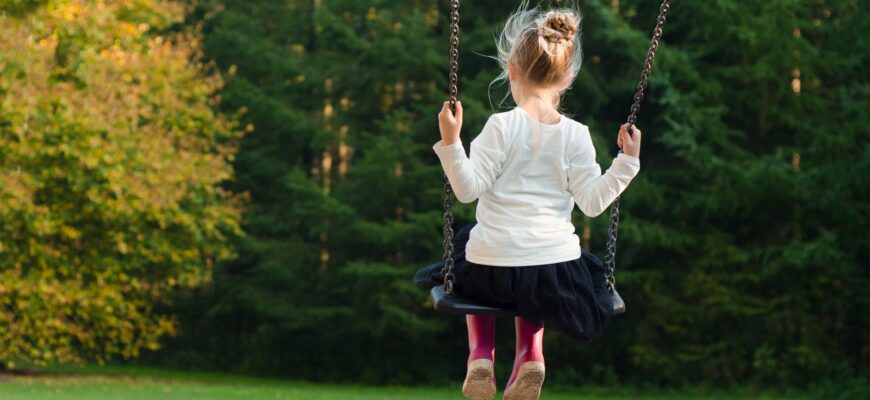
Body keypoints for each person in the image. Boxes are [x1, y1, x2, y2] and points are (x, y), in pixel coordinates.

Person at [413, 4, 642, 400]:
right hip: (553, 272)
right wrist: (627, 163)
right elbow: (592, 203)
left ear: (511, 70)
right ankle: (531, 354)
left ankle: (481, 355)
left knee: (471, 249)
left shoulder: (500, 127)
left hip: (491, 269)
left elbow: (467, 190)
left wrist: (451, 142)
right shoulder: (576, 134)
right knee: (537, 275)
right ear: (567, 77)